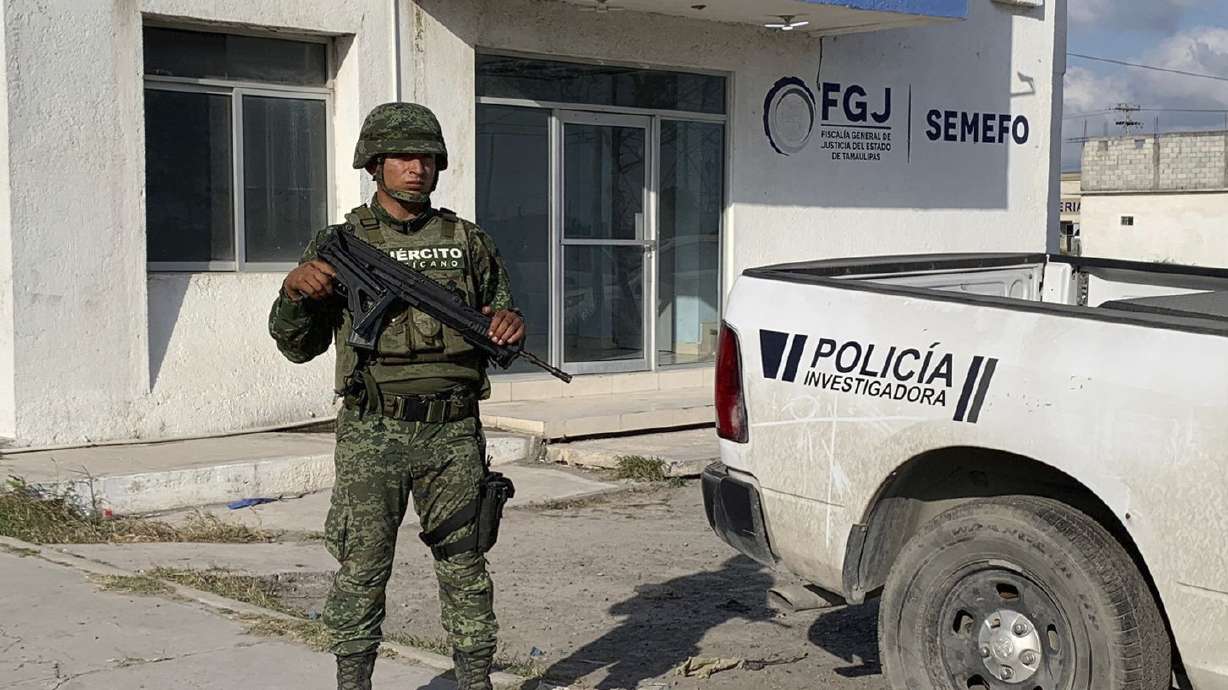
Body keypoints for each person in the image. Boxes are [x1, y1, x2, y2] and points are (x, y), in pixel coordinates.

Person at [268, 102, 524, 690]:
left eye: (428, 157)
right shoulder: (342, 242)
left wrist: (510, 324)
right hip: (372, 430)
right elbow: (296, 346)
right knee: (362, 566)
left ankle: (475, 681)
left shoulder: (468, 241)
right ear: (375, 164)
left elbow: (498, 322)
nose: (417, 169)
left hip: (453, 430)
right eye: (404, 157)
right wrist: (294, 294)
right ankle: (353, 681)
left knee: (466, 566)